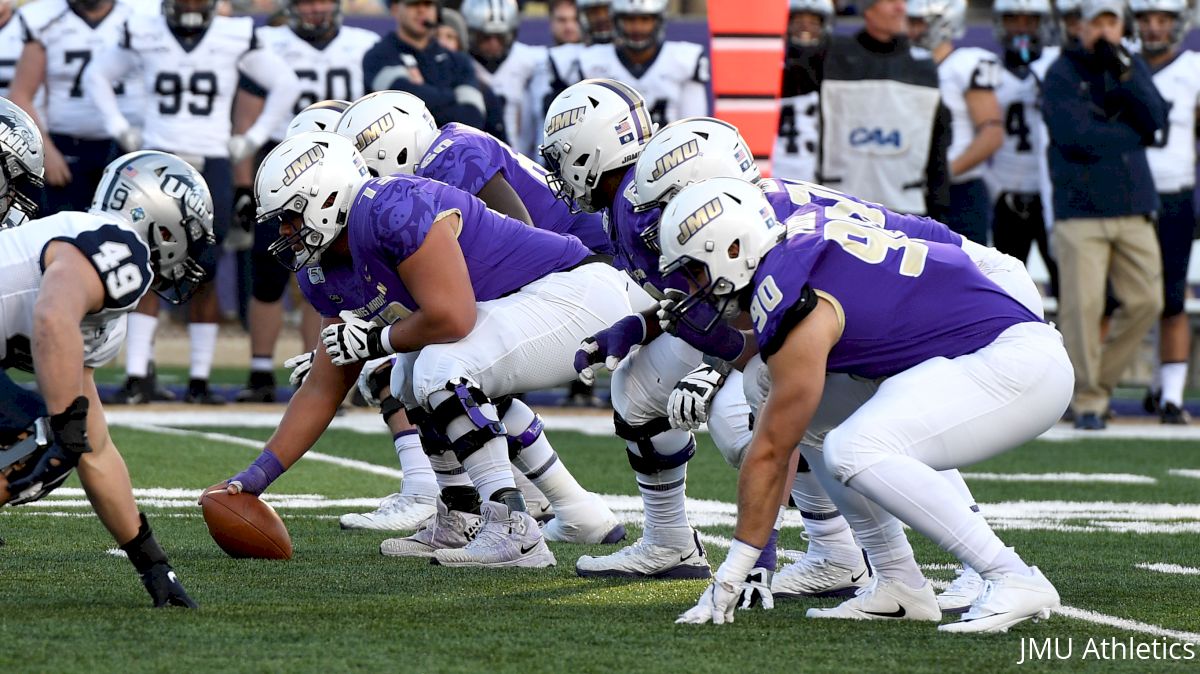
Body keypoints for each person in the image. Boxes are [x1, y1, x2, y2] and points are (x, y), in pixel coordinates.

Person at [666, 177, 1071, 632]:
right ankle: (899, 581)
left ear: (733, 249)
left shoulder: (791, 288)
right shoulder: (791, 248)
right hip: (976, 351)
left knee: (855, 448)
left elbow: (772, 450)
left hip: (1013, 361)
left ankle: (1010, 575)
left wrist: (730, 576)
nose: (691, 284)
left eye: (694, 269)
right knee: (767, 383)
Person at [218, 131, 640, 566]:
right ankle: (462, 515)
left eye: (291, 216)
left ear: (326, 198)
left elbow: (454, 317)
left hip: (577, 291)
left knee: (439, 365)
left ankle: (514, 528)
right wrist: (257, 476)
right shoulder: (321, 269)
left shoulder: (392, 208)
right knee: (404, 375)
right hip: (526, 304)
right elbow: (324, 388)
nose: (286, 231)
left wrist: (375, 340)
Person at [542, 82, 750, 581]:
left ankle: (838, 552)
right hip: (747, 323)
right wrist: (641, 324)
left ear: (590, 151)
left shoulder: (647, 205)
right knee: (635, 388)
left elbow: (749, 301)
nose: (556, 172)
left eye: (561, 157)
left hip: (786, 326)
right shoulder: (631, 201)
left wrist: (716, 370)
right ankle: (670, 543)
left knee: (744, 423)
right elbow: (701, 297)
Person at [0, 117, 211, 608]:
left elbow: (96, 448)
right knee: (38, 439)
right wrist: (63, 423)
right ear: (165, 224)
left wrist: (152, 563)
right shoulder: (123, 248)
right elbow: (53, 313)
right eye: (191, 232)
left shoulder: (107, 306)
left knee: (56, 437)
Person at [84, 0, 300, 405]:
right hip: (157, 157)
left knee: (207, 267)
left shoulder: (233, 33)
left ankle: (199, 380)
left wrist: (252, 140)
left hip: (209, 160)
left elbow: (285, 83)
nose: (190, 5)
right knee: (144, 261)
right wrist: (119, 127)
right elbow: (97, 74)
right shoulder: (144, 29)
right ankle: (137, 376)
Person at [231, 0, 379, 403]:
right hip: (280, 169)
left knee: (328, 275)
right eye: (307, 2)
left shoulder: (364, 45)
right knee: (269, 274)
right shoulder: (267, 42)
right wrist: (244, 183)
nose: (316, 9)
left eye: (323, 1)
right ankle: (261, 371)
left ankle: (327, 373)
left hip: (342, 173)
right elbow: (244, 118)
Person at [1042, 0, 1168, 430]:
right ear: (1079, 26)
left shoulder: (1131, 67)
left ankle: (1099, 385)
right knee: (1083, 307)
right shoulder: (1062, 71)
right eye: (1095, 21)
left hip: (1134, 205)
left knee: (1148, 301)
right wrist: (1130, 136)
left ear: (1120, 26)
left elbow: (1157, 120)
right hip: (1080, 208)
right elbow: (1073, 136)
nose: (1102, 30)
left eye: (1110, 21)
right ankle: (1088, 401)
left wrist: (1129, 76)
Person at [335, 90, 611, 254]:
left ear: (392, 147)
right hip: (571, 249)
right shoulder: (450, 143)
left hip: (591, 252)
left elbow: (522, 236)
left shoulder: (448, 156)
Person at [815, 0, 951, 222]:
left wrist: (939, 208)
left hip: (907, 212)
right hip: (839, 210)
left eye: (903, 2)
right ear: (867, 9)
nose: (901, 8)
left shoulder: (923, 66)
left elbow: (937, 145)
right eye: (891, 1)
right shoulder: (831, 56)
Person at [9, 0, 145, 214]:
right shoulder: (45, 20)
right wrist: (45, 151)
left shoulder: (141, 17)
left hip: (130, 146)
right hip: (67, 148)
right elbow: (20, 95)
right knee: (63, 230)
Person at [1131, 0, 1199, 424]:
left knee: (1172, 299)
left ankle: (1170, 396)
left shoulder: (1192, 68)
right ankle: (1090, 392)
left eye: (1163, 20)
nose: (1154, 29)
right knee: (1117, 300)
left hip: (1173, 192)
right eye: (1146, 20)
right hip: (1126, 198)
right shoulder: (1119, 65)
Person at [908, 0, 1003, 244]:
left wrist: (944, 174)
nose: (912, 30)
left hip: (959, 190)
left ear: (945, 23)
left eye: (919, 23)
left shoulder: (964, 64)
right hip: (912, 190)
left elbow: (992, 133)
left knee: (966, 272)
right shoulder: (904, 66)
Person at [987, 0, 1060, 297]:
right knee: (1006, 291)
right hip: (1008, 195)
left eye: (1029, 21)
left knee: (1070, 289)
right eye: (1013, 20)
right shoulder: (986, 70)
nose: (1021, 28)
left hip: (1051, 195)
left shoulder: (1057, 66)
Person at [574, 0, 710, 128]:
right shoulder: (592, 61)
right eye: (629, 19)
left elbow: (693, 127)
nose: (637, 28)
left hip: (671, 150)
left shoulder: (685, 60)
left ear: (658, 20)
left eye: (645, 19)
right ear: (616, 20)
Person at [362, 0, 487, 130]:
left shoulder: (459, 60)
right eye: (413, 4)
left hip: (451, 148)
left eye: (428, 4)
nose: (421, 10)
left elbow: (473, 117)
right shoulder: (378, 56)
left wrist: (421, 91)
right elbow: (402, 105)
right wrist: (451, 96)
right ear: (395, 9)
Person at [461, 0, 546, 155]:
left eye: (500, 37)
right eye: (485, 37)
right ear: (470, 34)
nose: (493, 43)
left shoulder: (528, 58)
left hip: (522, 153)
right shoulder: (459, 61)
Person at [772, 0, 834, 183]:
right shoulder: (774, 67)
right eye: (798, 20)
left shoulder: (833, 67)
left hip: (819, 171)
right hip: (778, 165)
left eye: (813, 22)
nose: (805, 27)